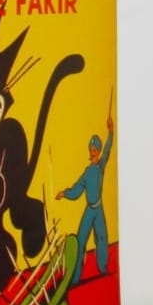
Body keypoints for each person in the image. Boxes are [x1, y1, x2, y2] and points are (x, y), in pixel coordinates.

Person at [56, 116, 114, 285]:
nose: (93, 152)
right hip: (90, 210)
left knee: (102, 238)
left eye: (95, 149)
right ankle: (75, 278)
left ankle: (103, 269)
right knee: (80, 241)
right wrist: (64, 193)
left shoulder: (101, 166)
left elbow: (108, 149)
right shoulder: (87, 172)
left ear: (98, 150)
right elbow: (76, 190)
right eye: (91, 149)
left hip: (99, 209)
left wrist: (111, 131)